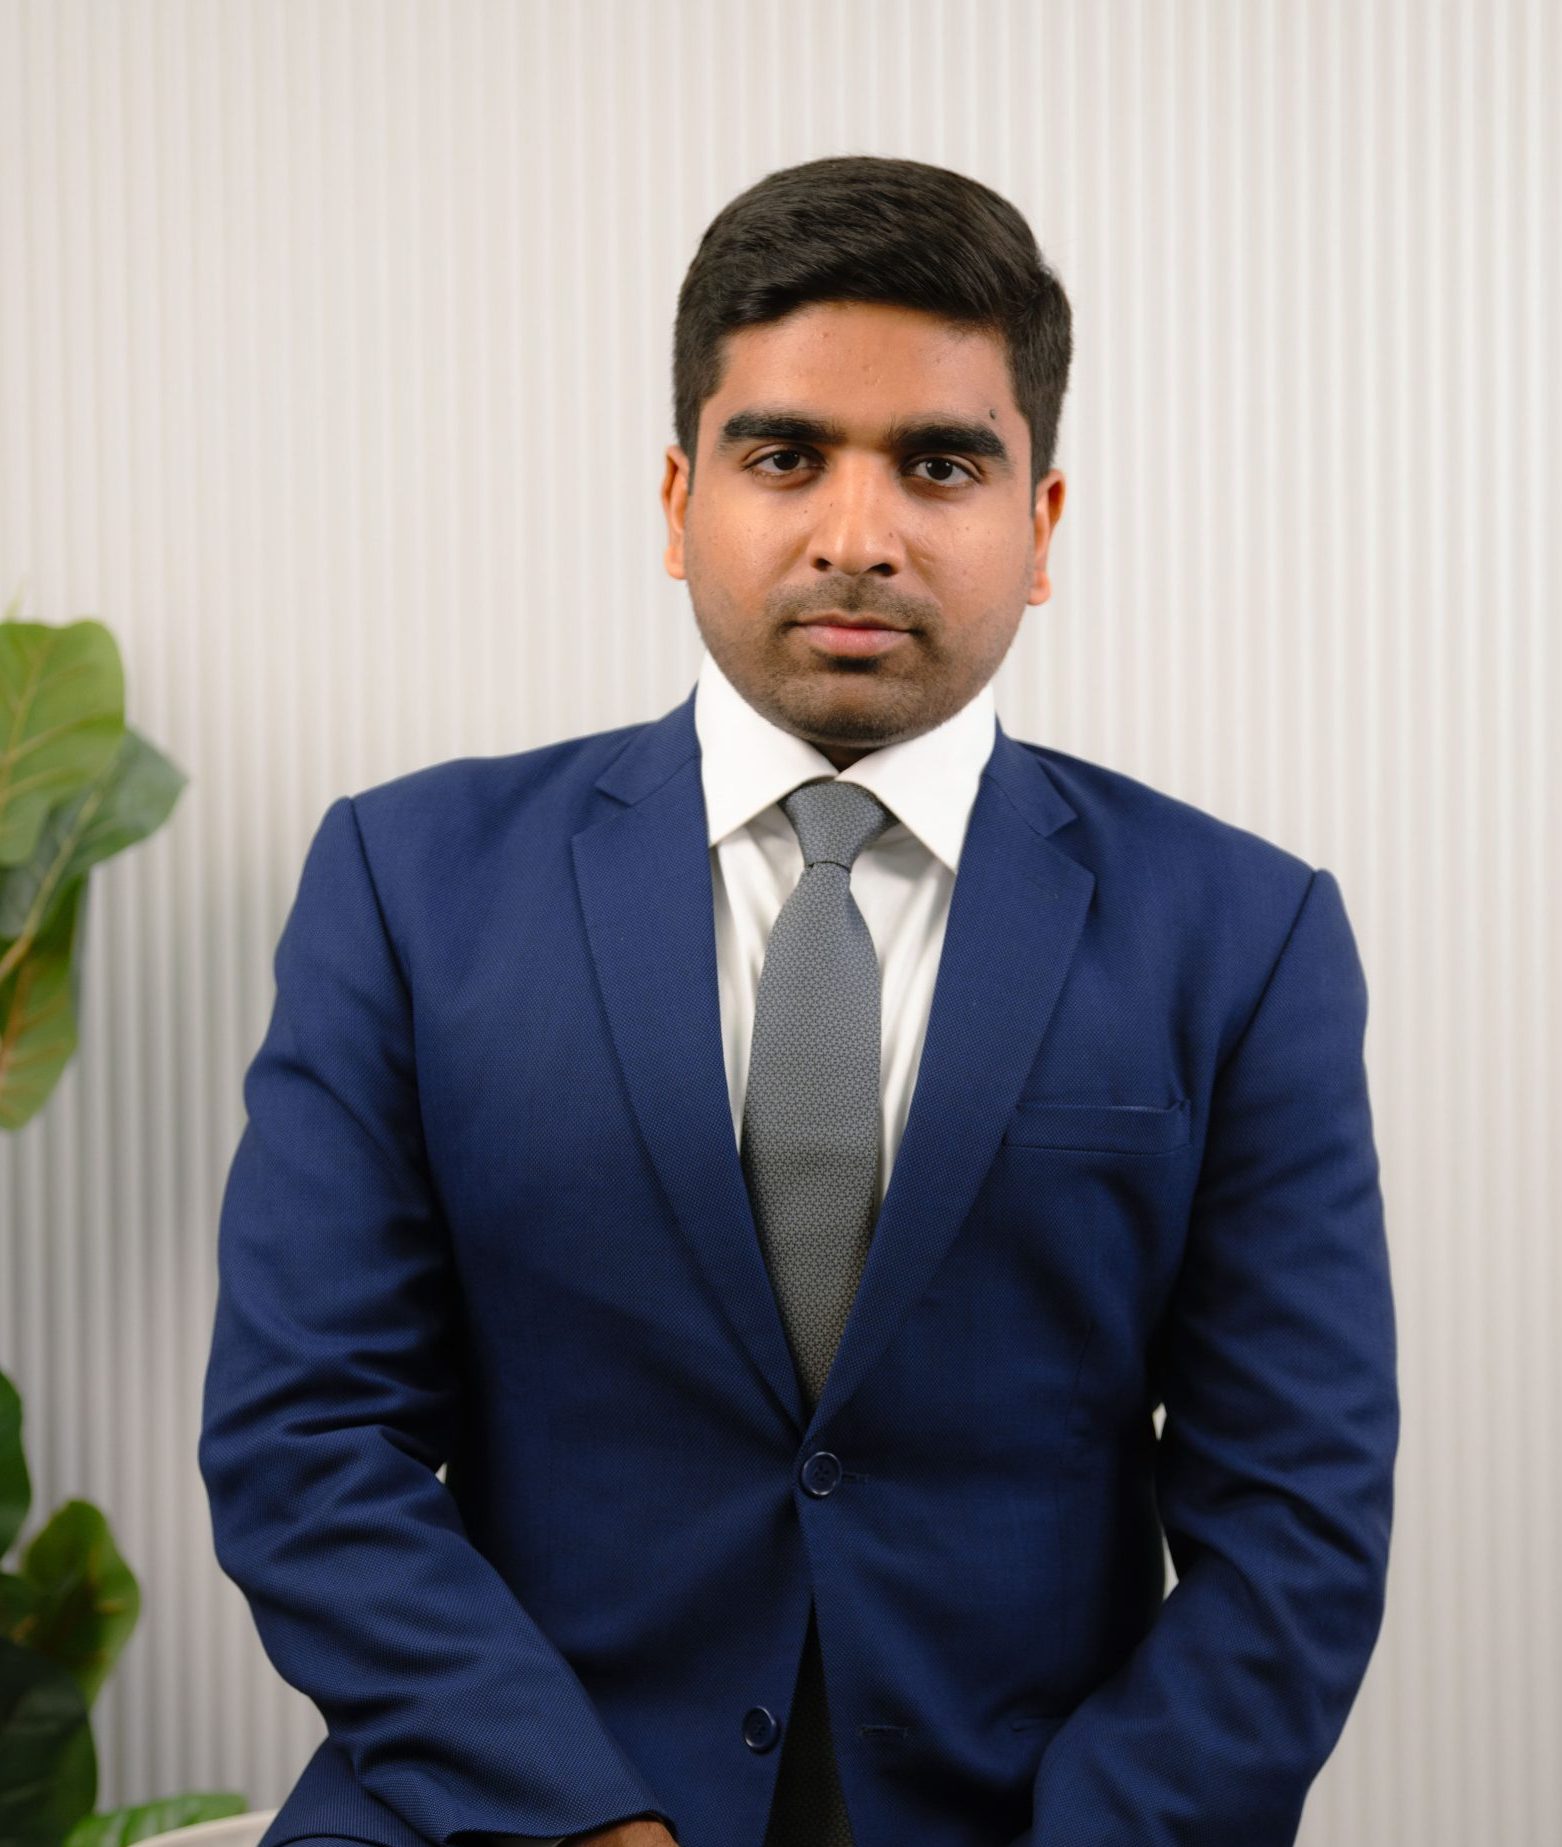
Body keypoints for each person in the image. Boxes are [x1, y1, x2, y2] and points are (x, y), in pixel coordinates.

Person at [199, 154, 1398, 1847]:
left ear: (1039, 526)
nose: (856, 536)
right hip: (502, 1802)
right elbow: (309, 1438)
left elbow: (1296, 1516)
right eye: (783, 458)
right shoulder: (408, 884)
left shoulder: (1242, 933)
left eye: (939, 464)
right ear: (677, 499)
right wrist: (577, 1826)